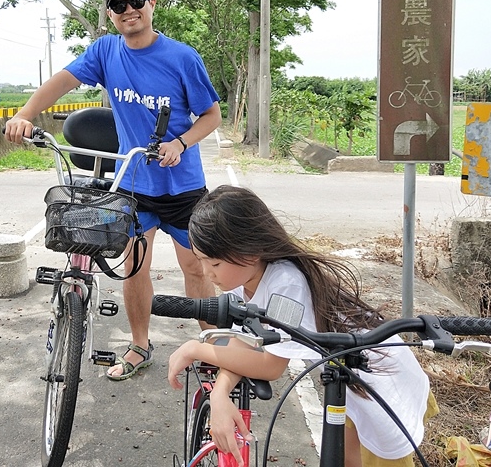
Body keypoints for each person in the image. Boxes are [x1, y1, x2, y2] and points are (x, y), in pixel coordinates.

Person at [5, 0, 221, 380]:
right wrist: (25, 113)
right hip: (134, 184)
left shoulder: (182, 57)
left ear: (151, 4)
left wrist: (180, 143)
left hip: (182, 185)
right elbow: (62, 82)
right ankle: (140, 345)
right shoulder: (105, 51)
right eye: (118, 5)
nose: (128, 10)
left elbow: (211, 116)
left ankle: (211, 347)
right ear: (110, 14)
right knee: (134, 267)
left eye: (136, 1)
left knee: (197, 268)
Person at [166, 185, 437, 467]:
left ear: (251, 252)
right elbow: (242, 342)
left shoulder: (286, 285)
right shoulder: (243, 281)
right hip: (347, 383)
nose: (207, 273)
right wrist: (220, 392)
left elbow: (271, 365)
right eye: (201, 261)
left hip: (380, 387)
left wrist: (195, 349)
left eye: (214, 263)